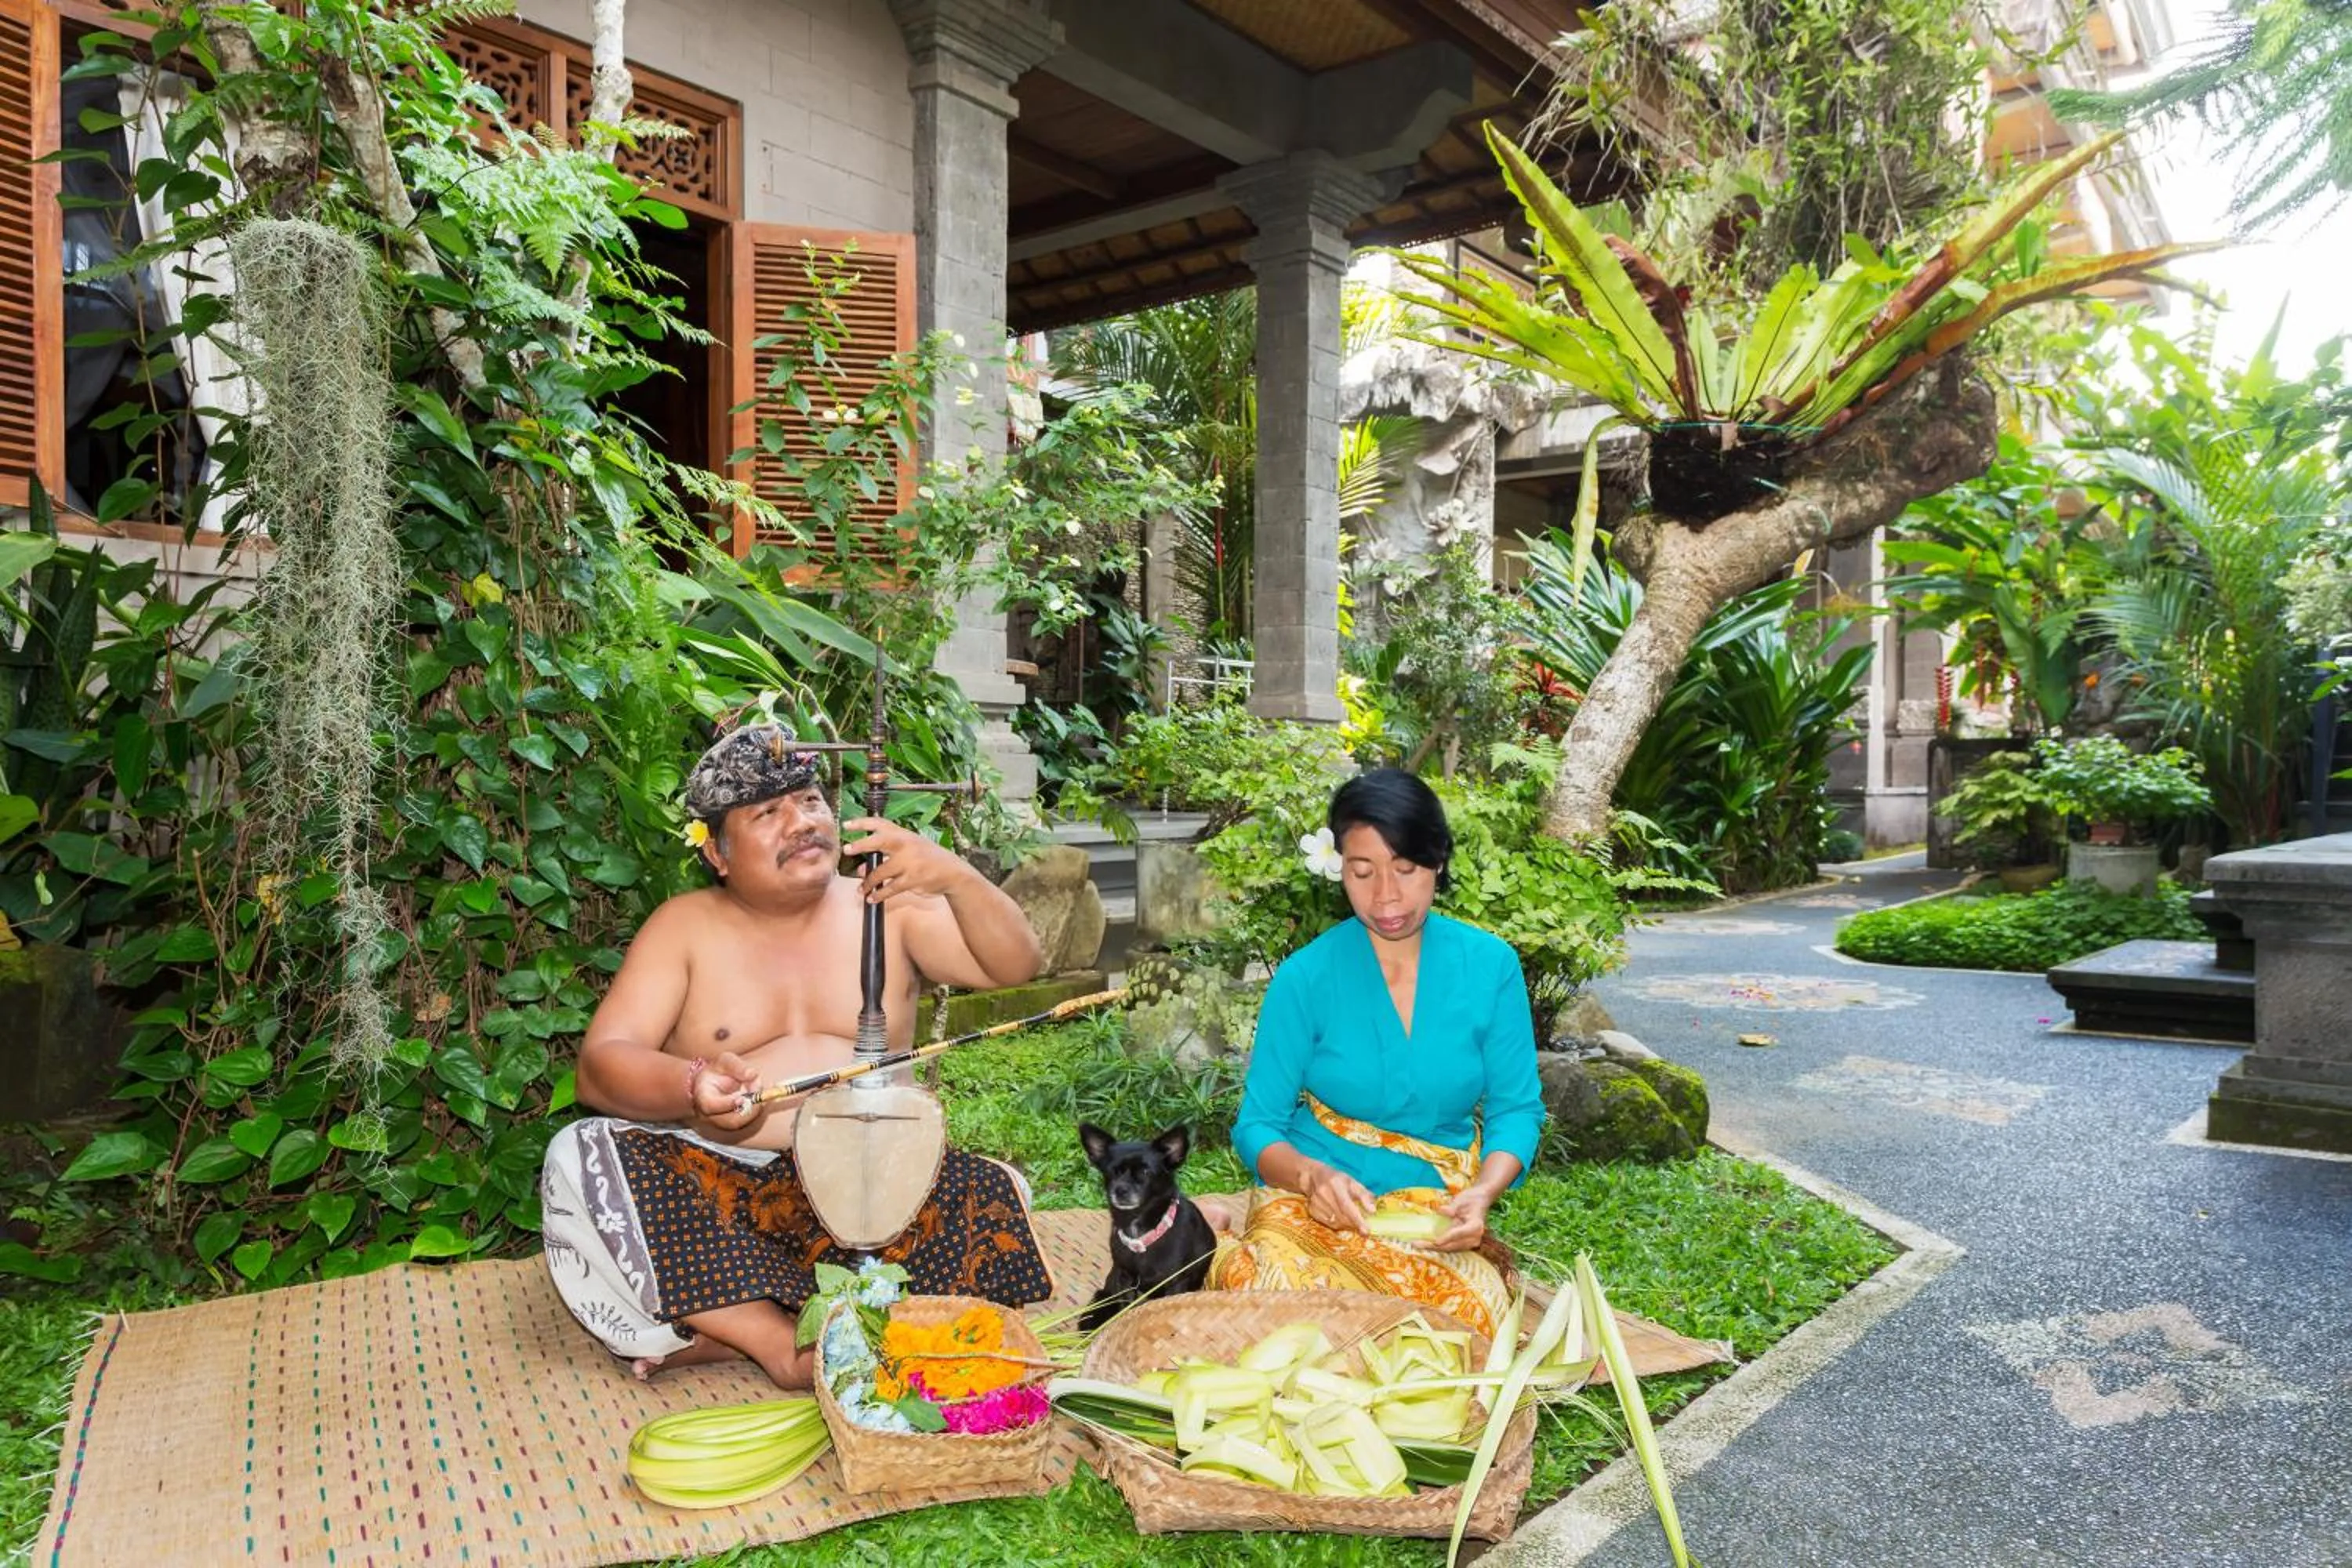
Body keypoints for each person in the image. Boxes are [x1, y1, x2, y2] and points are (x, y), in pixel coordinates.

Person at [539, 724, 1054, 1387]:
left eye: (811, 802)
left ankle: (734, 1328)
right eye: (768, 813)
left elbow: (1017, 964)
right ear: (718, 854)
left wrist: (956, 878)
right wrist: (693, 1084)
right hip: (732, 1188)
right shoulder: (684, 926)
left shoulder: (888, 903)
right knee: (581, 1160)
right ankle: (780, 1344)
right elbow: (601, 1066)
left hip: (876, 1180)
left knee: (996, 1191)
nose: (802, 822)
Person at [1216, 768, 1544, 1339]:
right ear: (1338, 868)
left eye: (1406, 869)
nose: (1385, 896)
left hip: (1431, 1208)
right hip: (1318, 1201)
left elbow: (1518, 1109)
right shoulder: (1305, 977)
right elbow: (1258, 1125)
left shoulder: (1490, 966)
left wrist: (1482, 1195)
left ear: (1438, 862)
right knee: (1271, 1303)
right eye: (1361, 872)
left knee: (1467, 1320)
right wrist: (1311, 1177)